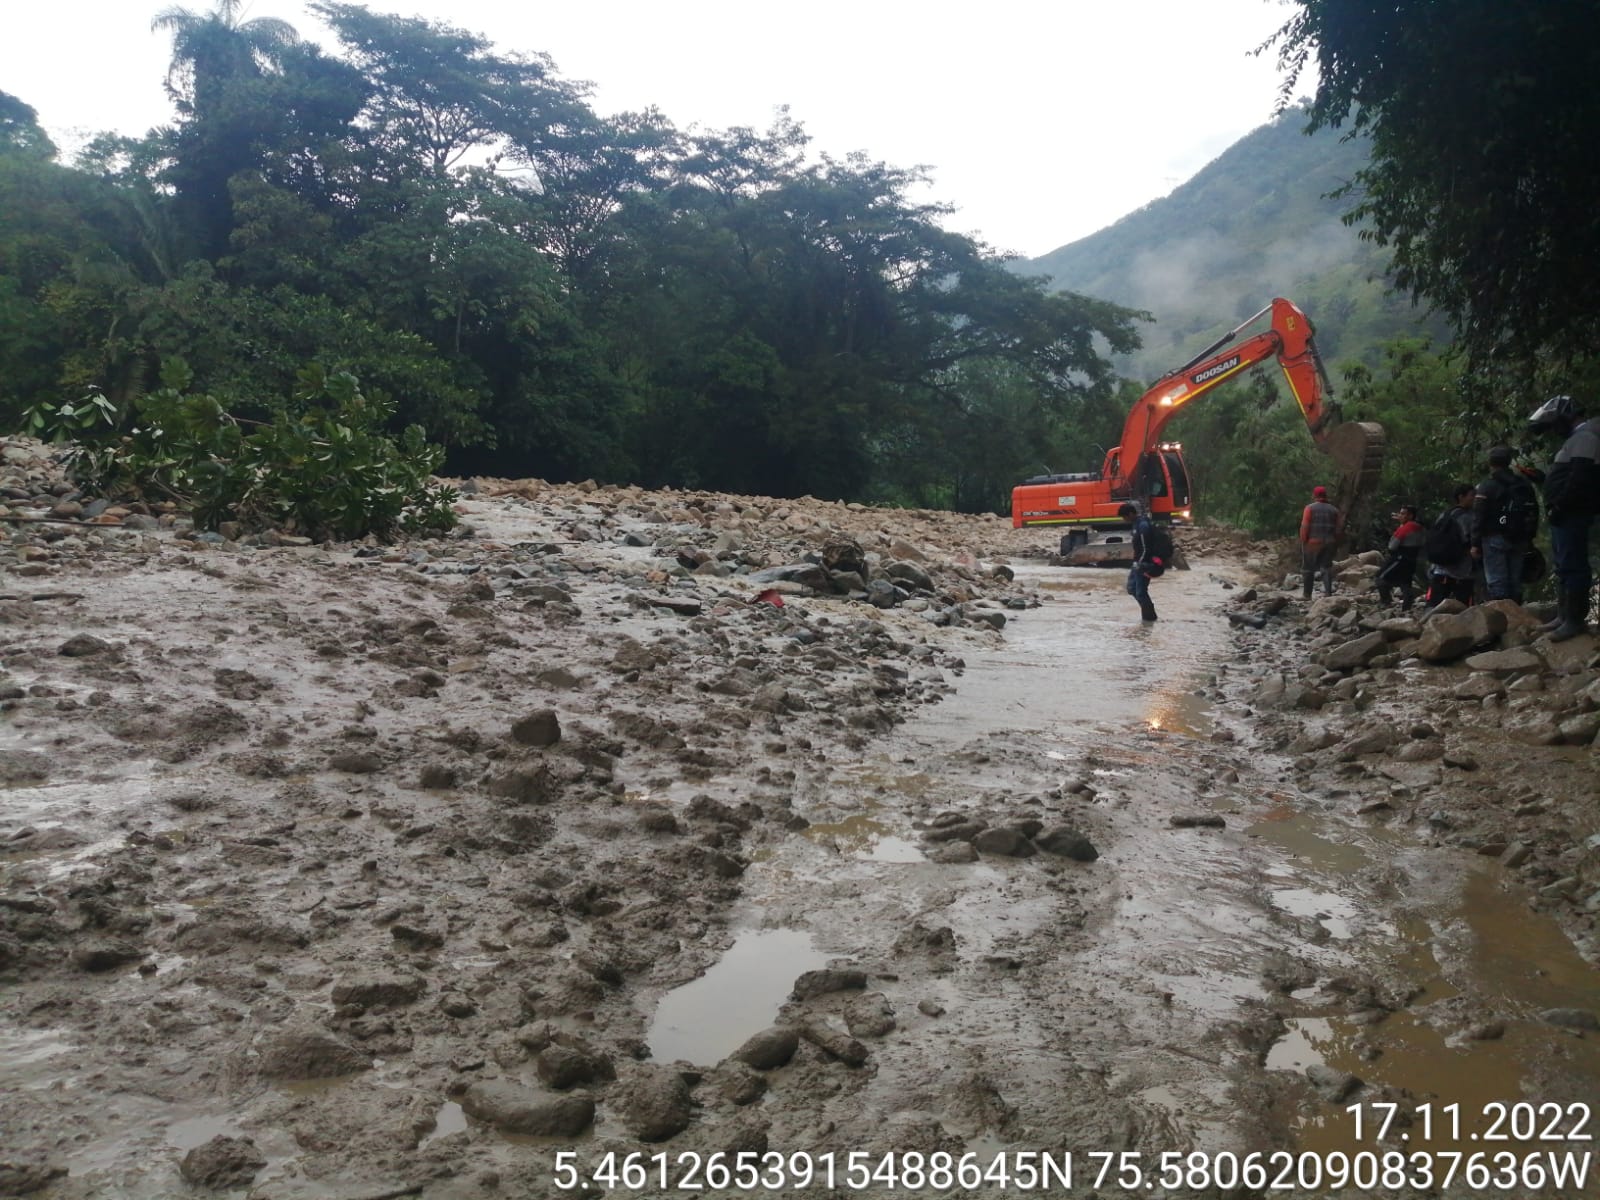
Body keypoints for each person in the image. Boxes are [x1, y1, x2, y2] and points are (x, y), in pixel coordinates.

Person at [1527, 394, 1600, 641]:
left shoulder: (1585, 436)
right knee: (1563, 565)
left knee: (1573, 565)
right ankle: (1563, 615)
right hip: (1566, 512)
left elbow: (1579, 478)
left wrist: (1561, 506)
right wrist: (1543, 481)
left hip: (1573, 513)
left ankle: (1574, 620)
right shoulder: (1577, 438)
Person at [1472, 445, 1541, 602]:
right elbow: (1533, 510)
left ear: (1491, 463)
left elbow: (1478, 515)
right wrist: (1530, 537)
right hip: (1520, 537)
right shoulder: (1523, 485)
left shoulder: (1487, 486)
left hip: (1494, 537)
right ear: (1509, 462)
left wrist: (1475, 542)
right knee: (1515, 580)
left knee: (1497, 581)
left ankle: (1503, 619)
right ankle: (1517, 616)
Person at [1423, 484, 1477, 609]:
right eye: (1472, 495)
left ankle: (1425, 626)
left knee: (1433, 605)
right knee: (1464, 607)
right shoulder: (1467, 517)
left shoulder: (1444, 514)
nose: (1474, 498)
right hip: (1463, 570)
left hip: (1440, 568)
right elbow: (1470, 539)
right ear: (1461, 497)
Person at [1374, 505, 1425, 611]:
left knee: (1380, 577)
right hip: (1412, 560)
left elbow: (1392, 546)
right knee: (1405, 583)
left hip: (1400, 558)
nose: (1399, 516)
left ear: (1410, 516)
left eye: (1402, 514)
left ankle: (1385, 601)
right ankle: (1406, 609)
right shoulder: (1419, 527)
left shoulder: (1407, 527)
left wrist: (1401, 526)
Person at [1298, 485, 1344, 599]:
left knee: (1308, 569)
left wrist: (1304, 540)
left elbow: (1305, 526)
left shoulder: (1309, 508)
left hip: (1312, 543)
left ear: (1314, 495)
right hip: (1329, 542)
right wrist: (1335, 542)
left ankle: (1307, 595)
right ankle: (1328, 593)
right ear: (1325, 496)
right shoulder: (1334, 510)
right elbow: (1338, 529)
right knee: (1326, 567)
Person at [1118, 501, 1159, 622]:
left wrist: (1140, 563)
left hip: (1144, 564)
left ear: (1131, 514)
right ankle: (1147, 612)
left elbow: (1146, 548)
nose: (1124, 519)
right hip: (1137, 562)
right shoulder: (1136, 524)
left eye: (1125, 517)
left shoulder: (1143, 526)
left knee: (1141, 592)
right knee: (1131, 588)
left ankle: (1149, 618)